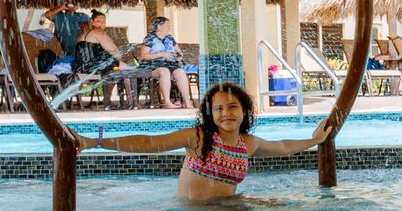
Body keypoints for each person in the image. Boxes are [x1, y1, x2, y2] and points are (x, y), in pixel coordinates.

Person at [86, 82, 326, 203]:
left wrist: (315, 140)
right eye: (219, 108)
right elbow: (149, 143)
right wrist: (95, 141)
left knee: (281, 206)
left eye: (233, 107)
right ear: (210, 114)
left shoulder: (247, 143)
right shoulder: (198, 138)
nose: (226, 113)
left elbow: (282, 147)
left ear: (244, 111)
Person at [137, 16, 190, 109]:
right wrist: (161, 54)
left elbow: (179, 51)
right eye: (167, 25)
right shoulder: (150, 38)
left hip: (170, 64)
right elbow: (144, 55)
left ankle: (187, 101)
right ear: (159, 26)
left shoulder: (170, 38)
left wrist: (179, 56)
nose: (169, 27)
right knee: (164, 71)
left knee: (181, 72)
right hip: (153, 66)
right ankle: (167, 102)